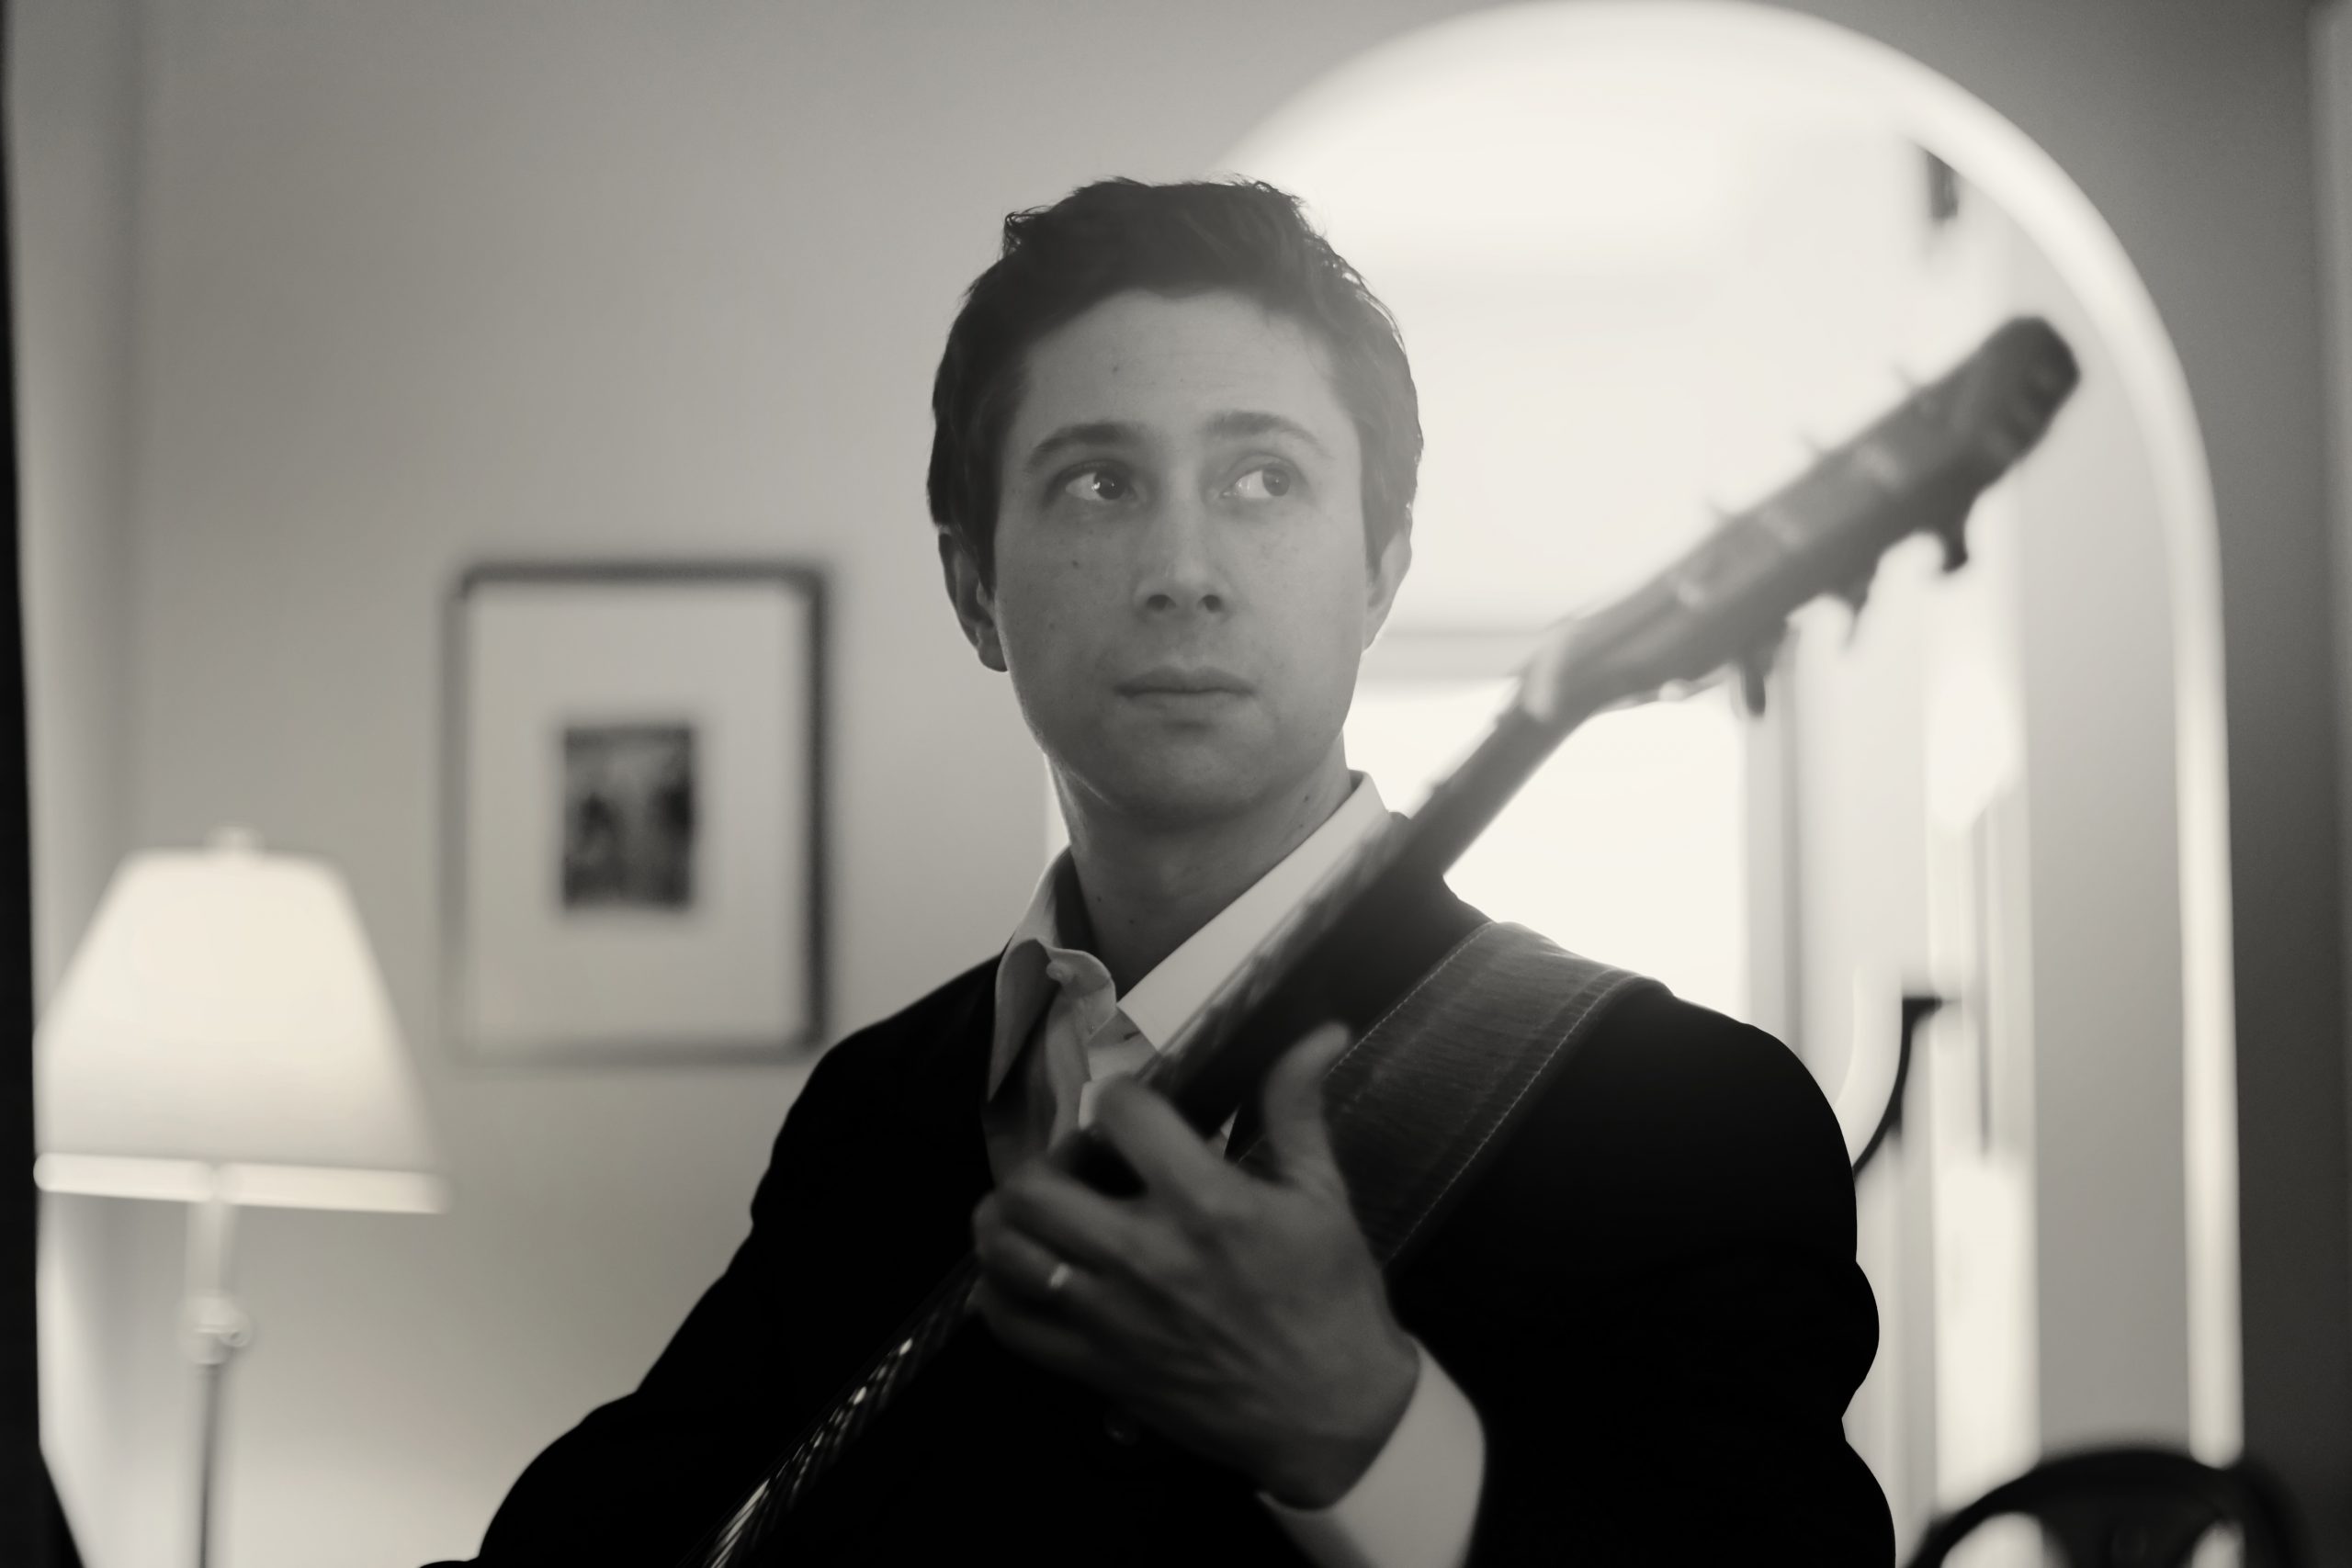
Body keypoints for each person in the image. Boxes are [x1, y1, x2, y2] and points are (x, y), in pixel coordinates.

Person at [433, 177, 1892, 1566]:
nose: (1181, 566)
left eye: (1264, 478)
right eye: (1096, 482)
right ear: (974, 589)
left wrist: (1365, 1434)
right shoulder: (877, 1110)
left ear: (1379, 569)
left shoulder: (1693, 1114)